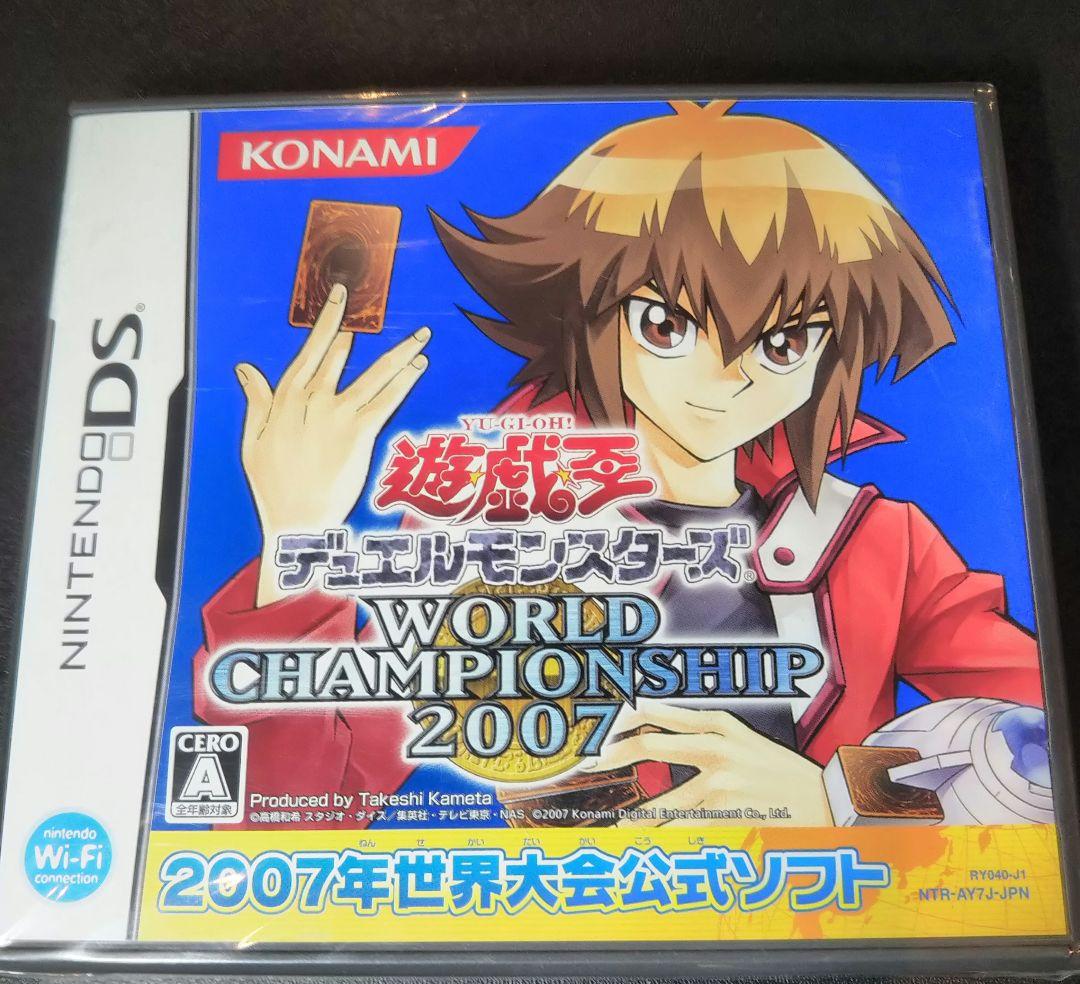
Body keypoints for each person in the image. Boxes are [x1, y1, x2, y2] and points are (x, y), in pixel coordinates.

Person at [196, 100, 1043, 828]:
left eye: (784, 343)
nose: (728, 376)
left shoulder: (880, 545)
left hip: (838, 918)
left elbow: (1040, 741)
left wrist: (836, 800)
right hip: (571, 920)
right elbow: (298, 807)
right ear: (587, 309)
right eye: (668, 327)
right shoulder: (499, 538)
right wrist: (296, 533)